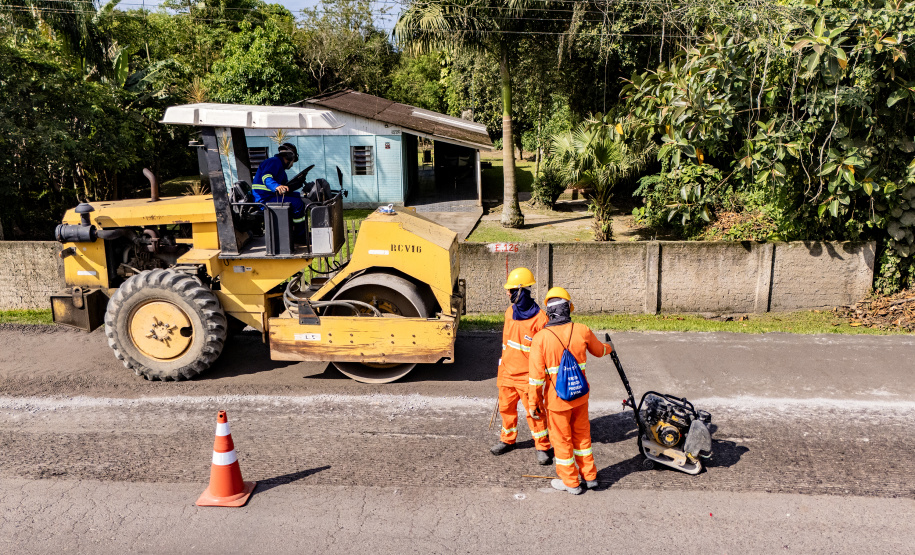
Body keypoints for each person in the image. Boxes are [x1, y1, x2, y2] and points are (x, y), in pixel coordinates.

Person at [528, 287, 612, 495]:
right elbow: (600, 351)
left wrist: (534, 404)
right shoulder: (582, 330)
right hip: (580, 397)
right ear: (568, 309)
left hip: (557, 402)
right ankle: (590, 476)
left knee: (562, 440)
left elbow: (536, 379)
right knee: (582, 437)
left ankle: (571, 482)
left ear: (549, 313)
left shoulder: (541, 338)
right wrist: (610, 346)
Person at [490, 267, 553, 465]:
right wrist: (502, 369)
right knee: (506, 409)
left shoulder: (541, 319)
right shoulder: (510, 312)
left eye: (510, 290)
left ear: (520, 290)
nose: (507, 293)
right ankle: (508, 440)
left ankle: (543, 446)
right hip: (507, 373)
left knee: (534, 412)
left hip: (528, 377)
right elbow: (506, 343)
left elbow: (545, 352)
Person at [251, 142, 307, 234]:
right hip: (264, 199)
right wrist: (276, 186)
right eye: (293, 161)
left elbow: (286, 186)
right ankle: (299, 234)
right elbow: (266, 177)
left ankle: (296, 229)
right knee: (298, 203)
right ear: (289, 157)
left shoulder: (280, 168)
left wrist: (298, 183)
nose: (292, 164)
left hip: (271, 196)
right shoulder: (274, 162)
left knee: (301, 197)